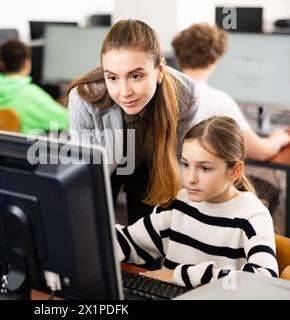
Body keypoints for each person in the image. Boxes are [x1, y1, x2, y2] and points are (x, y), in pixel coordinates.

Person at [115, 116, 278, 288]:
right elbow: (128, 242)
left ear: (235, 171)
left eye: (204, 168)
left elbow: (264, 280)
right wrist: (90, 240)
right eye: (185, 164)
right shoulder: (180, 202)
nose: (190, 178)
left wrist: (179, 275)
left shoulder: (252, 215)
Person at [66, 19, 198, 225]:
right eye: (112, 78)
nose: (125, 92)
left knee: (151, 242)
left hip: (154, 163)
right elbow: (85, 176)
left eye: (135, 76)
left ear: (160, 70)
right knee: (92, 232)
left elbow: (179, 160)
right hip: (105, 164)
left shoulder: (186, 95)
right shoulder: (84, 98)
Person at [171, 23, 290, 161]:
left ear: (179, 58)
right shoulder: (218, 100)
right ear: (213, 60)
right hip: (196, 179)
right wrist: (278, 138)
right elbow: (261, 152)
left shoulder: (166, 91)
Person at [0, 39, 68, 133]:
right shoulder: (31, 94)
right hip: (22, 147)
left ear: (2, 64)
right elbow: (69, 120)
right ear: (27, 63)